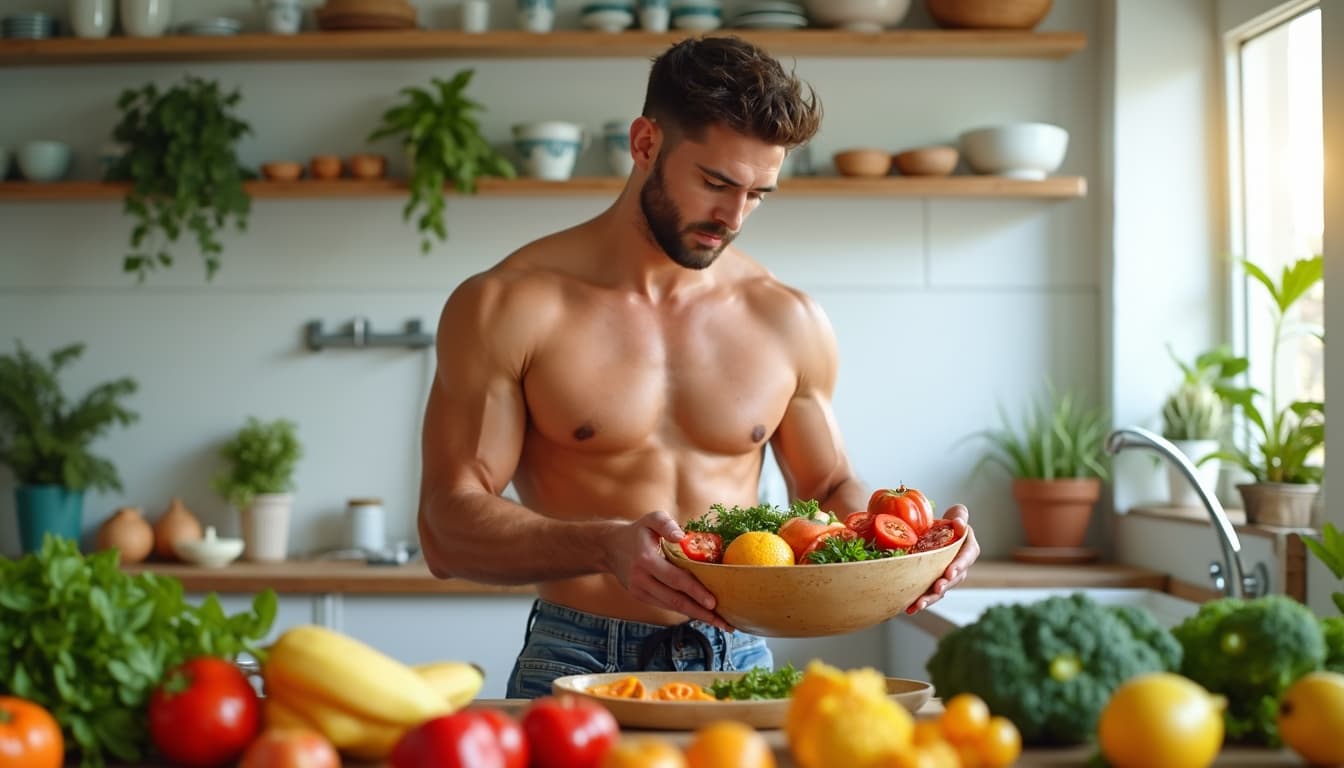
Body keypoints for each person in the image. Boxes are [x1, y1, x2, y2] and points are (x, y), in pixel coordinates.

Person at [417, 35, 981, 699]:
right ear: (645, 143)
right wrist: (603, 545)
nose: (733, 217)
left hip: (736, 656)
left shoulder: (786, 318)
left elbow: (829, 487)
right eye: (715, 183)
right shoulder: (509, 304)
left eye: (758, 194)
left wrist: (914, 546)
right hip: (578, 657)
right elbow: (446, 528)